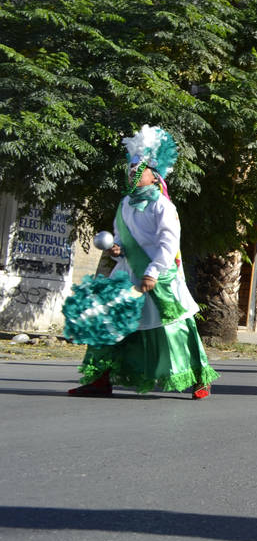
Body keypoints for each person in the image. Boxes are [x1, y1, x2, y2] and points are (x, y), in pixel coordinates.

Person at [69, 126, 218, 399]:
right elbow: (121, 238)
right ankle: (99, 379)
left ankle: (200, 379)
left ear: (153, 175)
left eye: (139, 169)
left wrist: (151, 272)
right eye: (130, 169)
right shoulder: (124, 204)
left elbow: (168, 244)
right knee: (107, 322)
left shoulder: (163, 206)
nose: (132, 173)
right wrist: (117, 249)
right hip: (127, 273)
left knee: (175, 327)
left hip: (158, 274)